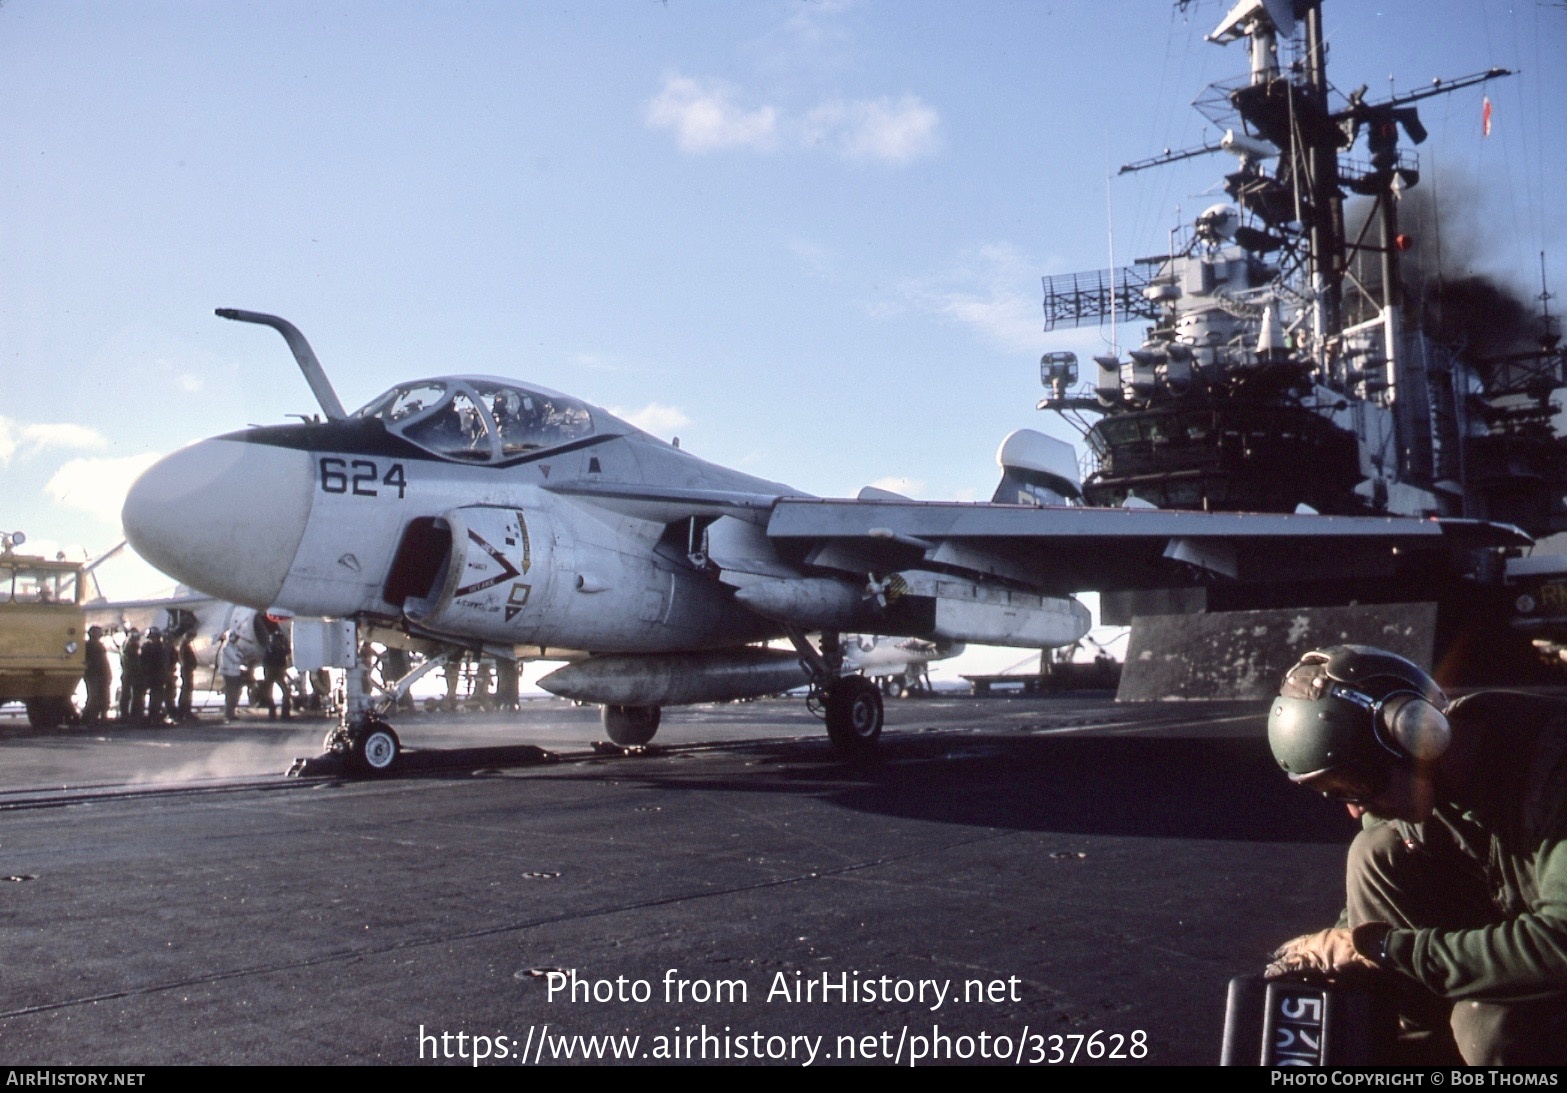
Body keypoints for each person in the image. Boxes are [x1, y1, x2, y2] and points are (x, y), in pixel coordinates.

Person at [1264, 644, 1567, 1065]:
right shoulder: (1426, 770)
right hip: (1526, 923)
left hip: (1556, 951)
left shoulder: (1554, 772)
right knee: (1373, 853)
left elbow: (1558, 944)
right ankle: (1420, 1046)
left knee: (1488, 1028)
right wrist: (1344, 946)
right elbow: (1373, 884)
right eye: (1340, 794)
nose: (1354, 808)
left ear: (1418, 734)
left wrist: (1385, 949)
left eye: (1357, 784)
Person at [83, 625, 112, 726]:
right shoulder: (90, 646)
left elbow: (104, 663)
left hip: (100, 675)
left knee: (102, 696)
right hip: (94, 675)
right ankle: (90, 717)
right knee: (94, 696)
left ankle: (99, 716)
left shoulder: (97, 646)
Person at [141, 628, 170, 726]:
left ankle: (154, 716)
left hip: (156, 676)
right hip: (154, 676)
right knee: (156, 697)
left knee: (157, 697)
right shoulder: (155, 648)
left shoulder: (150, 647)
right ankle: (154, 716)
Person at [262, 627, 292, 720]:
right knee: (282, 692)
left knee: (282, 692)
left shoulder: (272, 649)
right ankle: (279, 713)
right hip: (274, 671)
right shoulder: (273, 649)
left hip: (274, 671)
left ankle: (277, 712)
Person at [119, 628, 143, 723]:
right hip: (130, 673)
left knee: (132, 695)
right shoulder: (128, 647)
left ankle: (131, 714)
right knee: (127, 695)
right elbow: (132, 660)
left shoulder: (127, 645)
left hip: (130, 673)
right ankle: (126, 715)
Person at [176, 632, 198, 722]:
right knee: (186, 689)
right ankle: (184, 710)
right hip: (186, 670)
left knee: (188, 690)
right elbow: (184, 659)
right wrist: (190, 665)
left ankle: (185, 710)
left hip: (188, 670)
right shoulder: (184, 647)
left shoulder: (185, 646)